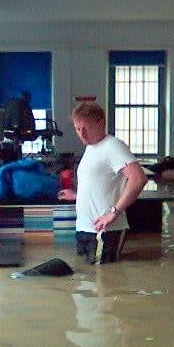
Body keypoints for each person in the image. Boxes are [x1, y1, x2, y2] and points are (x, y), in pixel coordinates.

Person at [58, 101, 148, 264]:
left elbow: (138, 179)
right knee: (86, 280)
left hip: (106, 231)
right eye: (78, 129)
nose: (82, 134)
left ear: (101, 123)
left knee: (105, 281)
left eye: (86, 128)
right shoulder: (91, 148)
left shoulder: (113, 146)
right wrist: (76, 196)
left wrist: (113, 212)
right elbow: (99, 183)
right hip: (85, 229)